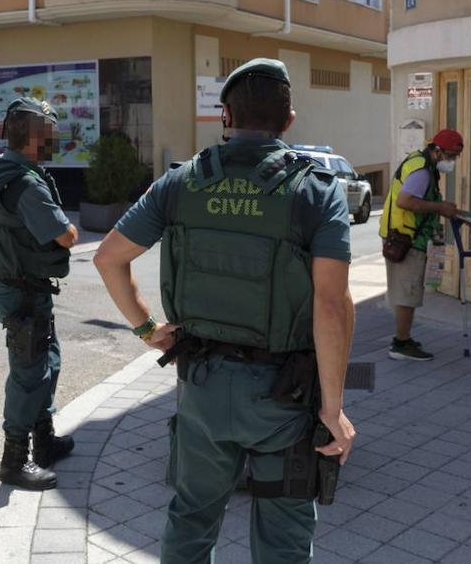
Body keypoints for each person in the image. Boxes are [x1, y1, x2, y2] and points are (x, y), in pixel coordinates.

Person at [93, 58, 356, 564]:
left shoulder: (180, 182)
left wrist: (148, 328)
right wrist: (333, 409)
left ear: (224, 118)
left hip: (203, 388)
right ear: (289, 120)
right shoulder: (316, 190)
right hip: (285, 397)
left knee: (191, 518)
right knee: (283, 538)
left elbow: (108, 258)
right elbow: (331, 305)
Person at [0, 97, 79, 491]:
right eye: (49, 135)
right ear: (35, 138)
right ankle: (14, 459)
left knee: (46, 360)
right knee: (30, 371)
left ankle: (44, 442)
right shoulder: (26, 183)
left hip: (13, 286)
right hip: (23, 291)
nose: (53, 142)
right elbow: (65, 234)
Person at [378, 129, 463, 361]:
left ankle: (404, 338)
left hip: (403, 235)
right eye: (450, 157)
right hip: (406, 239)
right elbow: (405, 201)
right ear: (437, 151)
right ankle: (400, 344)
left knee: (408, 292)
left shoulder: (421, 162)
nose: (451, 162)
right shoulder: (422, 172)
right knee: (407, 294)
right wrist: (440, 208)